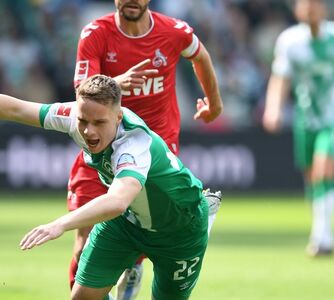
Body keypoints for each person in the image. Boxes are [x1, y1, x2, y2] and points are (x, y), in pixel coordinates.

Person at [0, 74, 212, 300]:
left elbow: (117, 200)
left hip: (180, 230)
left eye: (99, 122)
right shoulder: (73, 117)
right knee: (82, 296)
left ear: (118, 116)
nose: (88, 131)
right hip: (127, 224)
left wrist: (60, 224)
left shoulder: (134, 143)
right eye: (83, 120)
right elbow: (15, 109)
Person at [71, 0, 223, 297]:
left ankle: (140, 258)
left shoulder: (174, 31)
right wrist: (116, 84)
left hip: (153, 154)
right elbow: (82, 92)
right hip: (102, 149)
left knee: (151, 225)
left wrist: (214, 104)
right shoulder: (95, 33)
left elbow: (200, 56)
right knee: (83, 243)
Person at [262, 0, 334, 257]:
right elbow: (280, 79)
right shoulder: (289, 41)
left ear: (324, 8)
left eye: (315, 3)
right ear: (297, 10)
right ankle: (322, 230)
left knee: (324, 169)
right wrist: (273, 108)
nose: (310, 8)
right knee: (312, 176)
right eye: (305, 3)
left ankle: (323, 237)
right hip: (306, 118)